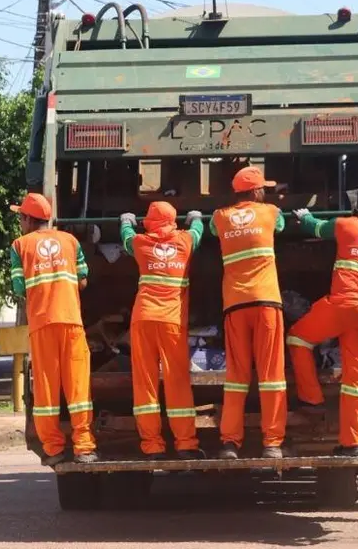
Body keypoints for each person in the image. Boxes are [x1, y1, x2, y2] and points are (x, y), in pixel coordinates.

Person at [286, 182, 358, 457]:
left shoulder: (345, 225)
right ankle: (352, 445)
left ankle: (312, 400)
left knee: (298, 338)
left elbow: (315, 228)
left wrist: (304, 217)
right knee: (357, 378)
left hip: (343, 305)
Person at [9, 193, 98, 466]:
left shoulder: (19, 245)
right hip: (72, 322)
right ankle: (85, 448)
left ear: (26, 219)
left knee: (47, 392)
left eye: (20, 218)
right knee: (78, 388)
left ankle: (54, 448)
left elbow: (19, 288)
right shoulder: (70, 241)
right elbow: (83, 281)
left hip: (43, 324)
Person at [210, 166, 288, 460]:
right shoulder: (271, 213)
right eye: (264, 189)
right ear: (256, 192)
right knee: (271, 376)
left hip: (235, 305)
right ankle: (272, 443)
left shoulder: (220, 217)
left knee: (236, 377)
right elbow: (280, 227)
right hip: (267, 303)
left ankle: (230, 442)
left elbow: (208, 230)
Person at [120, 202, 205, 460]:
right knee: (177, 381)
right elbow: (198, 231)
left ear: (149, 222)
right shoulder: (184, 242)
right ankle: (185, 444)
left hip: (143, 318)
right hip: (171, 322)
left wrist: (126, 220)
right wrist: (196, 216)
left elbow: (126, 238)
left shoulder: (142, 243)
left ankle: (152, 446)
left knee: (145, 382)